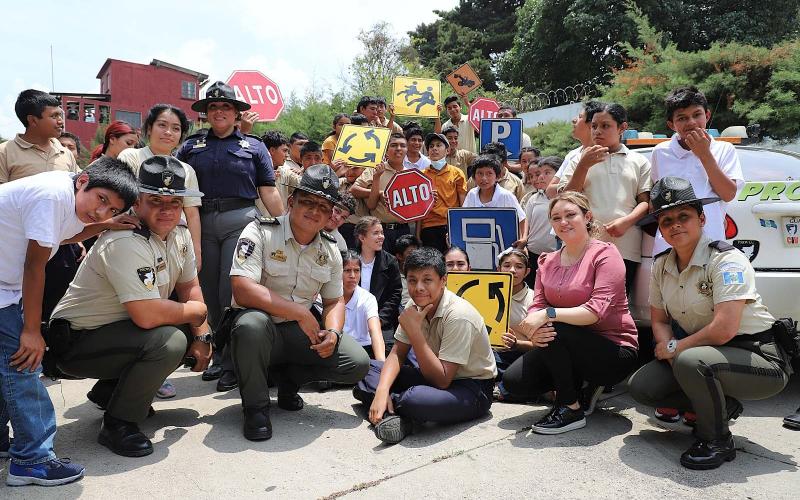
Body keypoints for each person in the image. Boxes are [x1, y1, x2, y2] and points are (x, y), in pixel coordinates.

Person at [50, 156, 213, 457]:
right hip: (76, 341)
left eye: (174, 202)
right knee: (171, 339)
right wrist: (198, 314)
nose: (167, 210)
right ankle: (118, 424)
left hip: (117, 331)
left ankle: (111, 392)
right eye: (156, 200)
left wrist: (203, 335)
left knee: (187, 328)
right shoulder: (125, 239)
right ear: (137, 202)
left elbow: (190, 287)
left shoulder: (179, 234)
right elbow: (148, 315)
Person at [627, 177, 791, 470]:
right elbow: (659, 319)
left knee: (691, 362)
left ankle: (717, 440)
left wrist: (675, 347)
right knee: (643, 387)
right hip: (703, 351)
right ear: (661, 229)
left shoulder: (726, 260)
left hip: (758, 356)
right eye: (666, 220)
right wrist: (665, 343)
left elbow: (724, 329)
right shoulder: (662, 264)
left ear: (701, 219)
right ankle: (720, 407)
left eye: (683, 217)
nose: (675, 225)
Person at [0, 158, 139, 486]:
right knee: (24, 365)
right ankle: (32, 459)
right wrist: (32, 331)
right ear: (83, 181)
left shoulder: (67, 197)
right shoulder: (51, 196)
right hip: (5, 291)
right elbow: (36, 266)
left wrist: (103, 226)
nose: (101, 212)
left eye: (112, 209)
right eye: (101, 199)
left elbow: (56, 239)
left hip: (6, 287)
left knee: (9, 364)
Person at [227, 164, 370, 441]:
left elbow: (334, 301)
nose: (315, 211)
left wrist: (333, 332)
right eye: (308, 202)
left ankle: (289, 380)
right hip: (261, 328)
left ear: (330, 215)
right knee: (251, 325)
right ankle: (255, 408)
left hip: (298, 332)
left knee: (356, 362)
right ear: (291, 202)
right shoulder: (260, 231)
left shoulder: (330, 249)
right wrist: (298, 312)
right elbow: (242, 289)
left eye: (323, 207)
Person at [503, 191, 639, 434]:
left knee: (554, 326)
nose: (563, 222)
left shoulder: (606, 254)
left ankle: (570, 407)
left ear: (587, 217)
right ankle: (578, 386)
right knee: (515, 382)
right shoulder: (547, 261)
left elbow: (594, 312)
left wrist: (548, 315)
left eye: (570, 215)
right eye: (556, 218)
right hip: (566, 341)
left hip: (613, 351)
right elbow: (538, 304)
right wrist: (534, 331)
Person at [176, 82, 283, 388]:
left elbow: (268, 190)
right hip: (201, 220)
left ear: (237, 113)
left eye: (226, 107)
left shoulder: (255, 147)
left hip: (242, 219)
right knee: (206, 289)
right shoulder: (191, 147)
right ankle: (215, 352)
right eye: (213, 107)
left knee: (232, 289)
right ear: (206, 113)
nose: (219, 112)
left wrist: (284, 223)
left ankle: (235, 360)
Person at [352, 247, 497, 444]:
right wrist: (382, 390)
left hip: (470, 387)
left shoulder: (459, 315)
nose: (419, 287)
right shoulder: (415, 305)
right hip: (430, 374)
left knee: (414, 399)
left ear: (443, 280)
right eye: (412, 280)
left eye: (427, 280)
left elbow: (443, 380)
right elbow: (397, 353)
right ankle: (395, 411)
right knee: (367, 369)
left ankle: (395, 411)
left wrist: (415, 333)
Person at [558, 103, 652, 295]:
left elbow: (645, 201)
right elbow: (566, 199)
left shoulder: (638, 161)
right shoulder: (579, 160)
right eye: (594, 126)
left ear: (622, 128)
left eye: (605, 126)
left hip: (626, 245)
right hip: (585, 244)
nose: (597, 131)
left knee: (616, 302)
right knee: (583, 299)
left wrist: (627, 222)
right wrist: (583, 166)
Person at [650, 86, 743, 256]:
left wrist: (704, 154)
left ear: (707, 115)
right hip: (670, 245)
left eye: (697, 115)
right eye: (682, 118)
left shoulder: (724, 149)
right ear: (671, 124)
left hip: (710, 241)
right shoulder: (660, 152)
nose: (691, 122)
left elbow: (728, 194)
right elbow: (656, 200)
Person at [118, 104, 202, 270]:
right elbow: (120, 200)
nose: (168, 132)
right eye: (162, 125)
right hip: (133, 237)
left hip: (174, 242)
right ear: (149, 128)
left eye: (176, 128)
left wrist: (196, 252)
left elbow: (191, 213)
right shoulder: (131, 156)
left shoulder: (187, 170)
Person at [351, 133, 411, 253]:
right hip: (380, 230)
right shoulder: (376, 169)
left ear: (406, 150)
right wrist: (379, 193)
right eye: (394, 145)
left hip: (404, 230)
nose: (398, 149)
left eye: (402, 146)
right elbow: (355, 190)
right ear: (386, 150)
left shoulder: (412, 174)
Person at [1, 89, 77, 183]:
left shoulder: (66, 153)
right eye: (54, 116)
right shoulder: (4, 153)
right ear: (33, 120)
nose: (60, 121)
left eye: (60, 115)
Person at [355, 216, 403, 352]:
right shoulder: (349, 259)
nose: (381, 237)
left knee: (386, 349)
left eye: (382, 232)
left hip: (381, 321)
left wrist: (379, 320)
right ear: (362, 237)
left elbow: (395, 295)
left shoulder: (390, 261)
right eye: (375, 233)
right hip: (352, 320)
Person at [494, 248, 536, 401]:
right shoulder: (487, 293)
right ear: (499, 269)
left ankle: (504, 390)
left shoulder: (534, 299)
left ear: (527, 272)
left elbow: (539, 344)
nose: (512, 270)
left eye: (519, 266)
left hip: (522, 355)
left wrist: (517, 344)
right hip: (494, 355)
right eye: (506, 265)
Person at [463, 155, 527, 249]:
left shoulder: (506, 196)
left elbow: (522, 218)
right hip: (477, 243)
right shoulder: (472, 194)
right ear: (474, 177)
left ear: (497, 177)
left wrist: (524, 238)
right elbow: (463, 216)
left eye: (489, 173)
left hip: (503, 244)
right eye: (480, 173)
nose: (484, 178)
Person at [418, 133, 467, 253]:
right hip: (428, 227)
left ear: (447, 150)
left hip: (451, 226)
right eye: (431, 146)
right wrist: (418, 233)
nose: (434, 148)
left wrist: (461, 229)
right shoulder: (420, 175)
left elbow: (463, 205)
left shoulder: (457, 173)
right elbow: (419, 209)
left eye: (439, 145)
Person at [546, 101, 602, 199]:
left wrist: (574, 185)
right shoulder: (573, 155)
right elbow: (550, 190)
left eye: (580, 117)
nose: (573, 120)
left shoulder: (606, 153)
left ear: (592, 124)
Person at [341, 250, 386, 360]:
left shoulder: (368, 299)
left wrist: (381, 365)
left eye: (356, 271)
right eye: (347, 270)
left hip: (363, 350)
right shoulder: (325, 296)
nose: (352, 276)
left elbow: (375, 331)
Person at [523, 156, 560, 286]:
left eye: (547, 173)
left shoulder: (567, 198)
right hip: (533, 254)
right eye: (540, 173)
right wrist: (524, 241)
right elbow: (525, 221)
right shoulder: (534, 198)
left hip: (557, 256)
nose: (541, 177)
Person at [496, 105, 532, 174]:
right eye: (500, 116)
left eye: (506, 115)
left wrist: (508, 167)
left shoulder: (524, 137)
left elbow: (525, 165)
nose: (503, 118)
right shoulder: (488, 137)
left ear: (514, 118)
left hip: (515, 176)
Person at [338, 164, 367, 248]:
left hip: (356, 231)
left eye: (355, 168)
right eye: (347, 167)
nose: (350, 171)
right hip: (337, 227)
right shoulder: (340, 182)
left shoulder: (368, 185)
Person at [393, 234, 421, 311]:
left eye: (417, 253)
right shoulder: (393, 276)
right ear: (399, 256)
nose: (415, 256)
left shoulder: (423, 273)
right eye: (411, 253)